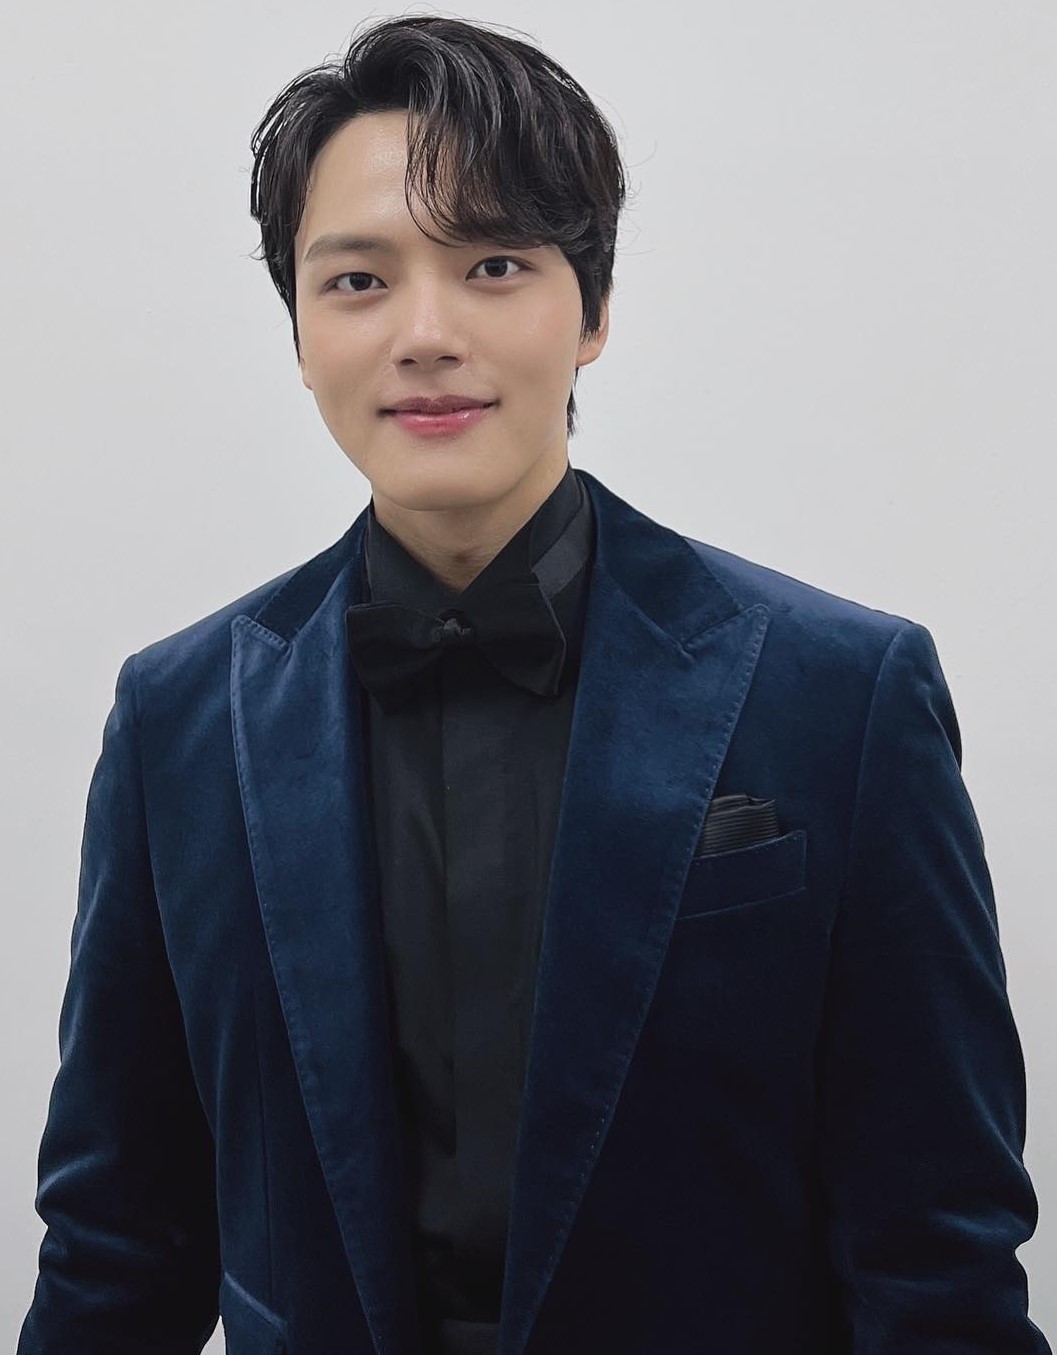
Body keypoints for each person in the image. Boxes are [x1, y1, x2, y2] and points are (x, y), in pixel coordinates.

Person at [17, 15, 1050, 1355]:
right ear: (298, 330)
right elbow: (117, 1245)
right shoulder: (179, 722)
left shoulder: (840, 696)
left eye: (494, 264)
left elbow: (937, 1252)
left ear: (593, 311)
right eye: (357, 280)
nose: (426, 333)